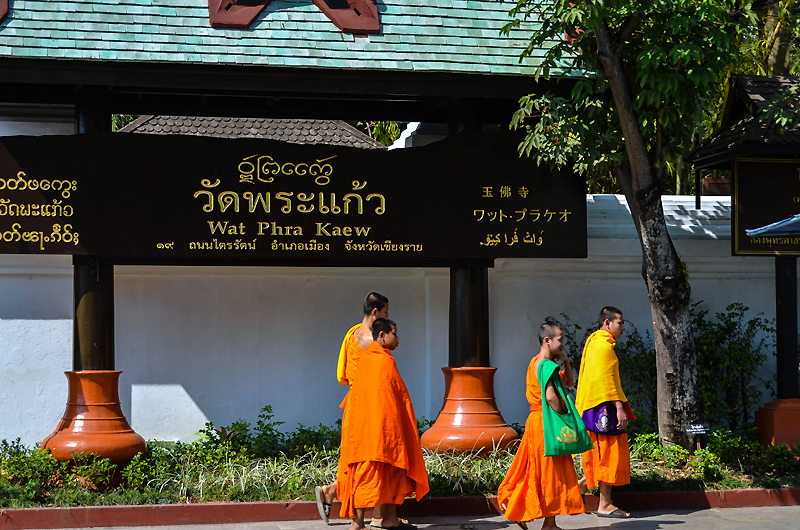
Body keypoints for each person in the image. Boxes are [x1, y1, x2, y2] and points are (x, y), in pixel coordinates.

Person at [337, 318, 429, 530]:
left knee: (392, 471)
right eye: (394, 334)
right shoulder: (380, 360)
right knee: (370, 472)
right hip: (376, 430)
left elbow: (392, 395)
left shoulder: (373, 359)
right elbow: (392, 398)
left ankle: (389, 518)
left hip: (378, 429)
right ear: (382, 335)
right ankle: (357, 523)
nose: (398, 339)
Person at [315, 293, 397, 526]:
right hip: (372, 406)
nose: (388, 315)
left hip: (353, 406)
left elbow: (342, 374)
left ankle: (333, 492)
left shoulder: (351, 335)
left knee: (355, 459)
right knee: (376, 458)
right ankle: (376, 517)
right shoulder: (376, 344)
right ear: (375, 312)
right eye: (385, 312)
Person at [497, 321, 584, 530]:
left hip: (537, 422)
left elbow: (570, 383)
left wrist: (566, 362)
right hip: (547, 423)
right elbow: (552, 397)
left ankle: (524, 511)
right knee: (550, 473)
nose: (564, 343)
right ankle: (547, 523)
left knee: (534, 470)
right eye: (560, 339)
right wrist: (565, 420)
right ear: (547, 340)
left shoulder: (537, 362)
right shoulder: (545, 365)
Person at [574, 306, 635, 519]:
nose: (623, 327)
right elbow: (608, 380)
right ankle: (605, 504)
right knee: (608, 454)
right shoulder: (604, 347)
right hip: (605, 408)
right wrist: (620, 408)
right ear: (607, 323)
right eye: (620, 322)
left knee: (600, 453)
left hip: (593, 408)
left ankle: (582, 485)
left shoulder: (593, 344)